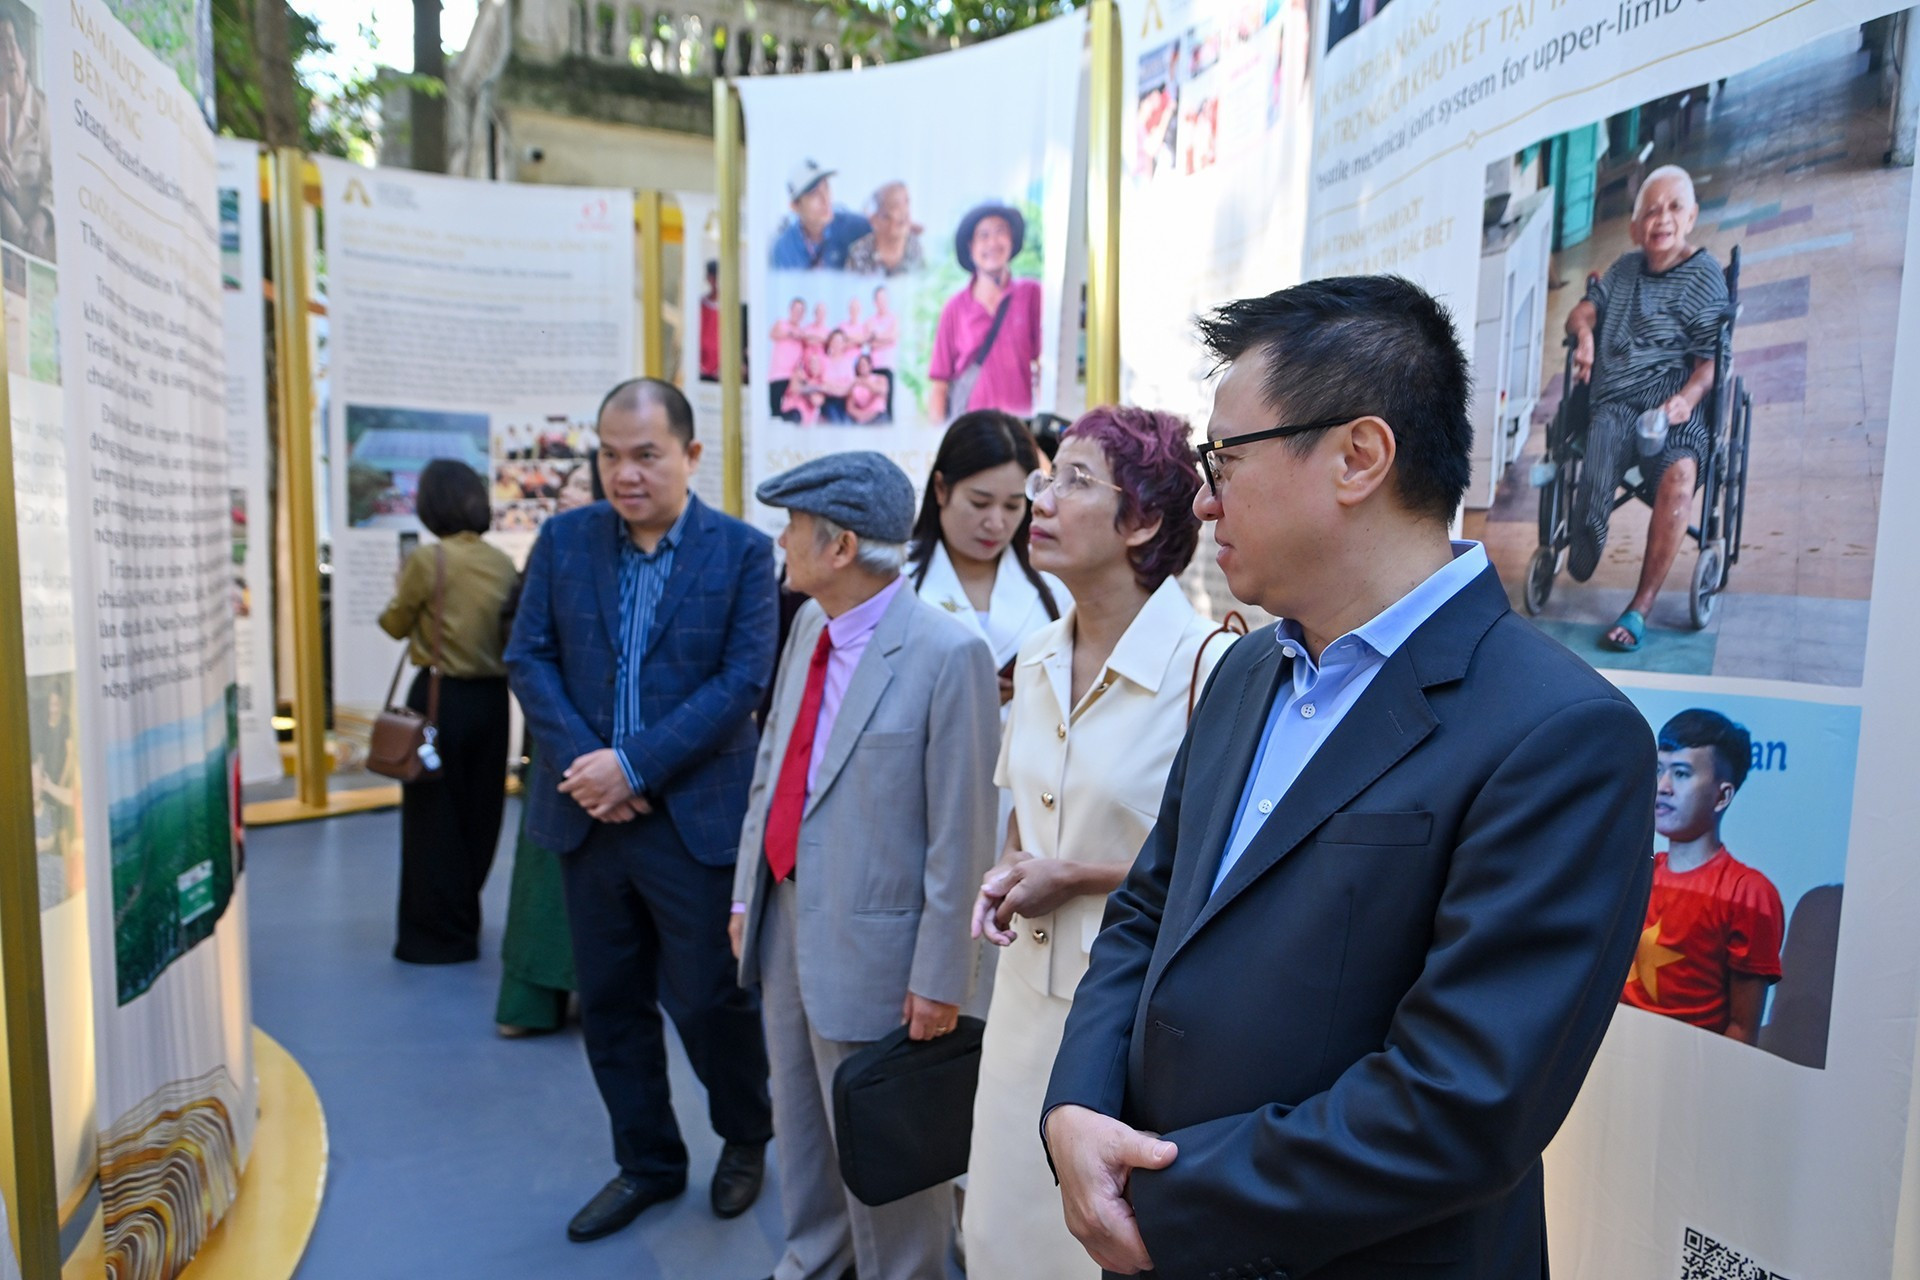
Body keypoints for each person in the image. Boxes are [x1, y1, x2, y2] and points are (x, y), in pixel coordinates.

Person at [1041, 276, 1656, 1280]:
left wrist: (1157, 1191)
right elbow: (1151, 909)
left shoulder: (1560, 735)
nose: (1204, 495)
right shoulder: (1249, 668)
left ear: (1359, 456)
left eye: (1223, 457)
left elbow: (1458, 1104)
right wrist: (1075, 1105)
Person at [505, 378, 775, 1242]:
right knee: (611, 1002)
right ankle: (648, 1161)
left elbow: (742, 680)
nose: (625, 474)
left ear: (691, 457)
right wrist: (592, 768)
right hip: (589, 820)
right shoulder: (563, 541)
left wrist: (632, 765)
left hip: (689, 820)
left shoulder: (738, 552)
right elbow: (530, 655)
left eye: (646, 455)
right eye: (611, 454)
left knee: (707, 1001)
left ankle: (745, 1134)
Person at [965, 406, 1231, 1279]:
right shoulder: (1037, 653)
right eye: (1049, 476)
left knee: (1095, 1251)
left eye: (1076, 480)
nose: (1040, 498)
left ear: (1145, 520)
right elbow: (1022, 819)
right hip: (1018, 1009)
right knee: (1000, 1238)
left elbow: (1221, 870)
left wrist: (1072, 875)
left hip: (1127, 1018)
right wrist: (1007, 873)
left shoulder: (1211, 670)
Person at [729, 451, 1000, 1280]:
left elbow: (964, 835)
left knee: (885, 1149)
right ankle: (812, 1259)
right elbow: (776, 762)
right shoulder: (809, 625)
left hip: (884, 956)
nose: (781, 542)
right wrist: (748, 892)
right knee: (802, 1124)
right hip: (785, 922)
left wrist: (942, 975)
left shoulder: (948, 655)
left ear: (840, 545)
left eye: (793, 529)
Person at [1564, 164, 1728, 653]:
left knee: (1679, 475)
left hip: (1670, 411)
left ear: (1692, 216)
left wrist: (1688, 400)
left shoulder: (1704, 276)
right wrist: (1586, 335)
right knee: (1598, 450)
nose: (1663, 218)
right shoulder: (1623, 269)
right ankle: (1589, 526)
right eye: (1651, 210)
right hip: (1614, 400)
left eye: (1674, 207)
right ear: (1636, 227)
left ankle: (1640, 606)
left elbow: (1709, 365)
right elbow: (1582, 311)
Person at [377, 460, 519, 965]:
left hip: (438, 700)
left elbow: (394, 624)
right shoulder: (501, 564)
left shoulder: (429, 559)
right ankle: (466, 918)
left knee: (432, 818)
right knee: (481, 814)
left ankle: (434, 936)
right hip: (494, 703)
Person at [494, 456, 600, 1038]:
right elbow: (519, 639)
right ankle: (532, 998)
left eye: (589, 485)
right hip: (559, 728)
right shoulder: (553, 547)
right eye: (575, 484)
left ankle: (598, 991)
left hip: (617, 740)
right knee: (545, 868)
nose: (576, 494)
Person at [1620, 708, 1784, 1044]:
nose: (1663, 787)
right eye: (1659, 770)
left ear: (1722, 795)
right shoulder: (1634, 871)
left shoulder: (1749, 893)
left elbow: (1742, 1031)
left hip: (1690, 1076)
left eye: (1681, 774)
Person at [909, 412, 1065, 698]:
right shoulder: (897, 578)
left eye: (1012, 506)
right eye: (979, 503)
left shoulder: (1056, 583)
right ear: (941, 489)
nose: (995, 523)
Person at [928, 203, 1043, 421]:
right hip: (972, 433)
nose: (992, 242)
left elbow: (1045, 366)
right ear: (970, 248)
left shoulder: (1032, 294)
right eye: (983, 235)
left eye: (1001, 232)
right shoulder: (954, 308)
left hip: (1020, 429)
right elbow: (939, 387)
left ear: (1012, 240)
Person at [0, 12, 52, 261]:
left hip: (39, 234)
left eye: (11, 43)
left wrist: (41, 220)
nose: (8, 54)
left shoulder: (44, 110)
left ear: (25, 55)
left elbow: (57, 176)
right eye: (0, 46)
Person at [770, 159, 870, 271]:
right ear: (795, 206)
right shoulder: (784, 248)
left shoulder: (853, 226)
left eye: (826, 188)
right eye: (814, 193)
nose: (825, 199)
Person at [846, 180, 925, 276]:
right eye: (894, 205)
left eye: (906, 202)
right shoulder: (860, 252)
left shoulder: (915, 246)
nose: (903, 211)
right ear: (875, 219)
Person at [769, 298, 807, 417]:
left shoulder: (802, 332)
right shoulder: (781, 323)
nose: (797, 313)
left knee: (791, 410)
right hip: (778, 376)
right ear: (790, 310)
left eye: (800, 311)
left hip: (793, 380)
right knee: (775, 412)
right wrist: (791, 334)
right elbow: (772, 334)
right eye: (796, 310)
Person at [819, 329, 859, 423]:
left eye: (840, 341)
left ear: (844, 344)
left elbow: (851, 385)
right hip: (829, 401)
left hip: (846, 401)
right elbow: (825, 384)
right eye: (834, 341)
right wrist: (840, 388)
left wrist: (838, 389)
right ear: (830, 343)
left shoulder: (848, 362)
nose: (837, 344)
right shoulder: (824, 361)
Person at [846, 354, 889, 425]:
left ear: (870, 366)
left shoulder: (880, 378)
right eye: (859, 365)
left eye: (864, 364)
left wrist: (864, 382)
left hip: (879, 416)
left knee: (879, 398)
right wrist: (862, 416)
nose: (861, 367)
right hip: (861, 418)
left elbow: (882, 391)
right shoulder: (854, 384)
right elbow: (850, 408)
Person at [699, 259, 721, 383]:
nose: (714, 281)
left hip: (723, 368)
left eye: (717, 277)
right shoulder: (701, 304)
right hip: (702, 367)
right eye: (711, 277)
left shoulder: (731, 307)